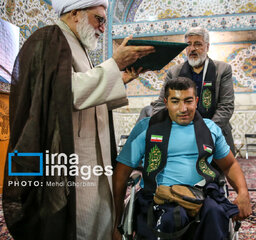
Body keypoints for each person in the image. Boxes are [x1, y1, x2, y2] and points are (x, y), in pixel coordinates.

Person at [3, 0, 155, 239]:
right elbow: (63, 92)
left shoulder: (78, 46)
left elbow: (86, 98)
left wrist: (121, 79)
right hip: (70, 161)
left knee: (98, 221)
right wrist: (114, 64)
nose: (103, 28)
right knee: (77, 225)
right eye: (100, 19)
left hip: (94, 159)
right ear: (75, 13)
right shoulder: (49, 39)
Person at [113, 77, 251, 240]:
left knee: (216, 213)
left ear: (196, 101)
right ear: (166, 102)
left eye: (188, 101)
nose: (183, 108)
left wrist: (243, 193)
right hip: (159, 196)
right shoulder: (147, 128)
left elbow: (229, 165)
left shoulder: (210, 129)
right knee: (168, 219)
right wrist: (116, 224)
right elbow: (121, 175)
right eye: (175, 101)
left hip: (202, 194)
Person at [151, 26, 236, 154]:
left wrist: (205, 132)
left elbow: (226, 106)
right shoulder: (174, 72)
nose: (192, 49)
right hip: (181, 134)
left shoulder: (222, 69)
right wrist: (159, 126)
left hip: (215, 132)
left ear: (207, 47)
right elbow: (161, 104)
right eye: (188, 45)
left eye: (197, 44)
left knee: (217, 172)